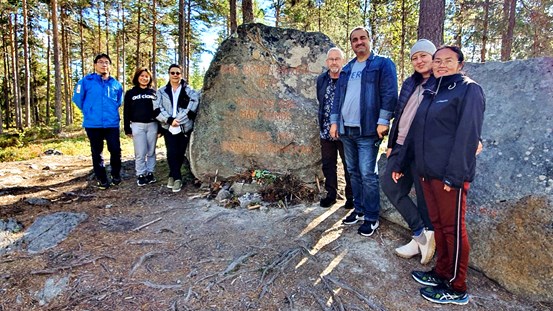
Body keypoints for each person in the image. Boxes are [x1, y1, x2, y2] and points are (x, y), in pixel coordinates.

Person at [391, 46, 485, 305]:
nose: (442, 65)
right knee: (440, 227)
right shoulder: (433, 90)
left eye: (448, 61)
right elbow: (414, 132)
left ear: (460, 64)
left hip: (449, 178)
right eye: (438, 61)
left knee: (453, 230)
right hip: (426, 173)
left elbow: (468, 136)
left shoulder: (469, 90)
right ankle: (442, 272)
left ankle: (457, 287)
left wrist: (454, 177)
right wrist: (400, 163)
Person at [330, 26, 398, 237]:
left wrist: (383, 120)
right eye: (354, 40)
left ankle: (371, 217)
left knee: (368, 174)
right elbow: (337, 99)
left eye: (362, 38)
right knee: (353, 172)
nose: (359, 42)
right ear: (351, 44)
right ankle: (358, 210)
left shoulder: (382, 64)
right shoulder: (348, 68)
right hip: (346, 130)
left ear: (369, 40)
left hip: (368, 129)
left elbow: (389, 93)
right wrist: (334, 123)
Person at [381, 39, 436, 264]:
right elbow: (399, 113)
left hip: (422, 147)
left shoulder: (440, 83)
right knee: (390, 185)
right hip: (401, 144)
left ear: (433, 57)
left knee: (423, 196)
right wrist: (392, 143)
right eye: (415, 57)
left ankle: (423, 238)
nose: (419, 61)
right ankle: (421, 233)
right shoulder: (409, 83)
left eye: (424, 56)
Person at [73, 53, 124, 190]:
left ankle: (116, 175)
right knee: (97, 152)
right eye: (100, 62)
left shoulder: (116, 84)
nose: (104, 64)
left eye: (106, 62)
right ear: (95, 65)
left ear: (110, 66)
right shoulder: (85, 81)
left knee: (115, 150)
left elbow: (119, 101)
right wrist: (89, 110)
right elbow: (78, 99)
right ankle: (102, 178)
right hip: (93, 124)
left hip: (111, 123)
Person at [316, 47, 354, 209]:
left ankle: (351, 197)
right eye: (331, 59)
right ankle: (331, 194)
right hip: (325, 130)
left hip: (345, 131)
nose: (334, 62)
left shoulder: (349, 78)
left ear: (343, 61)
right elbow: (321, 100)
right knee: (328, 164)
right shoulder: (321, 79)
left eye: (337, 59)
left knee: (349, 165)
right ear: (327, 62)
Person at [153, 64, 199, 193]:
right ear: (169, 74)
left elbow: (192, 106)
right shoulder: (161, 91)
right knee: (171, 152)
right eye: (172, 73)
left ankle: (172, 175)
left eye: (177, 73)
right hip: (168, 126)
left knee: (179, 153)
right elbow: (157, 108)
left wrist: (179, 120)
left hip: (183, 126)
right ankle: (177, 178)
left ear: (181, 74)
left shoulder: (189, 90)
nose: (175, 75)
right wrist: (169, 120)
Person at [124, 67, 159, 186]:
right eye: (142, 76)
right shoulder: (131, 93)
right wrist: (127, 128)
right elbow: (126, 111)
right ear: (137, 77)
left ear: (149, 78)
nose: (144, 78)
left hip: (152, 125)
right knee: (140, 152)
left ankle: (150, 173)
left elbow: (158, 111)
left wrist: (160, 128)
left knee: (151, 151)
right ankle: (140, 174)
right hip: (137, 125)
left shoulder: (154, 93)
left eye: (146, 76)